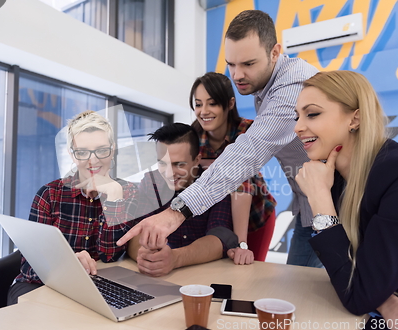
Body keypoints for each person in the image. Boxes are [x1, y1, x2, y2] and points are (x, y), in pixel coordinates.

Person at [118, 10, 321, 268]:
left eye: (248, 64)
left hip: (327, 209)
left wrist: (177, 212)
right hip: (308, 208)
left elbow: (245, 160)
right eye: (231, 64)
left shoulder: (289, 89)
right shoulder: (258, 90)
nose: (236, 75)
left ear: (274, 53)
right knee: (302, 288)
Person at [294, 70, 398, 330]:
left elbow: (357, 295)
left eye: (312, 113)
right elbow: (352, 276)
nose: (297, 126)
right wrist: (386, 303)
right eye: (296, 116)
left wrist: (319, 199)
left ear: (355, 118)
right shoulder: (336, 178)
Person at [7, 110, 138, 304]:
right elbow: (30, 266)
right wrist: (67, 266)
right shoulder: (50, 194)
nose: (93, 160)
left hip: (96, 287)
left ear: (113, 149)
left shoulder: (127, 192)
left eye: (101, 150)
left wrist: (113, 198)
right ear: (72, 154)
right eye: (83, 152)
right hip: (41, 286)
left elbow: (111, 256)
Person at [127, 123, 235, 277]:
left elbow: (221, 237)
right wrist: (145, 257)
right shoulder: (151, 182)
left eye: (179, 164)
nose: (169, 173)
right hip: (160, 278)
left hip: (205, 276)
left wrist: (175, 258)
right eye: (162, 163)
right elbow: (137, 231)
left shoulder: (215, 183)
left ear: (197, 159)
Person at [190, 72, 276, 264]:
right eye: (198, 104)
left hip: (255, 217)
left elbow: (240, 179)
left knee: (247, 270)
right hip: (216, 220)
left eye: (212, 103)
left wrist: (241, 245)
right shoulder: (192, 136)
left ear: (229, 104)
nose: (203, 111)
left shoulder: (247, 131)